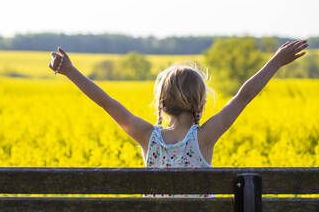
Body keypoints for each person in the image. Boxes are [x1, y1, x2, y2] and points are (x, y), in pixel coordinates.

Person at [48, 39, 308, 198]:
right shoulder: (204, 138)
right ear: (200, 103)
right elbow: (243, 97)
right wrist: (275, 62)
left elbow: (106, 102)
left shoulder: (148, 137)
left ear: (161, 103)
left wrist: (70, 71)